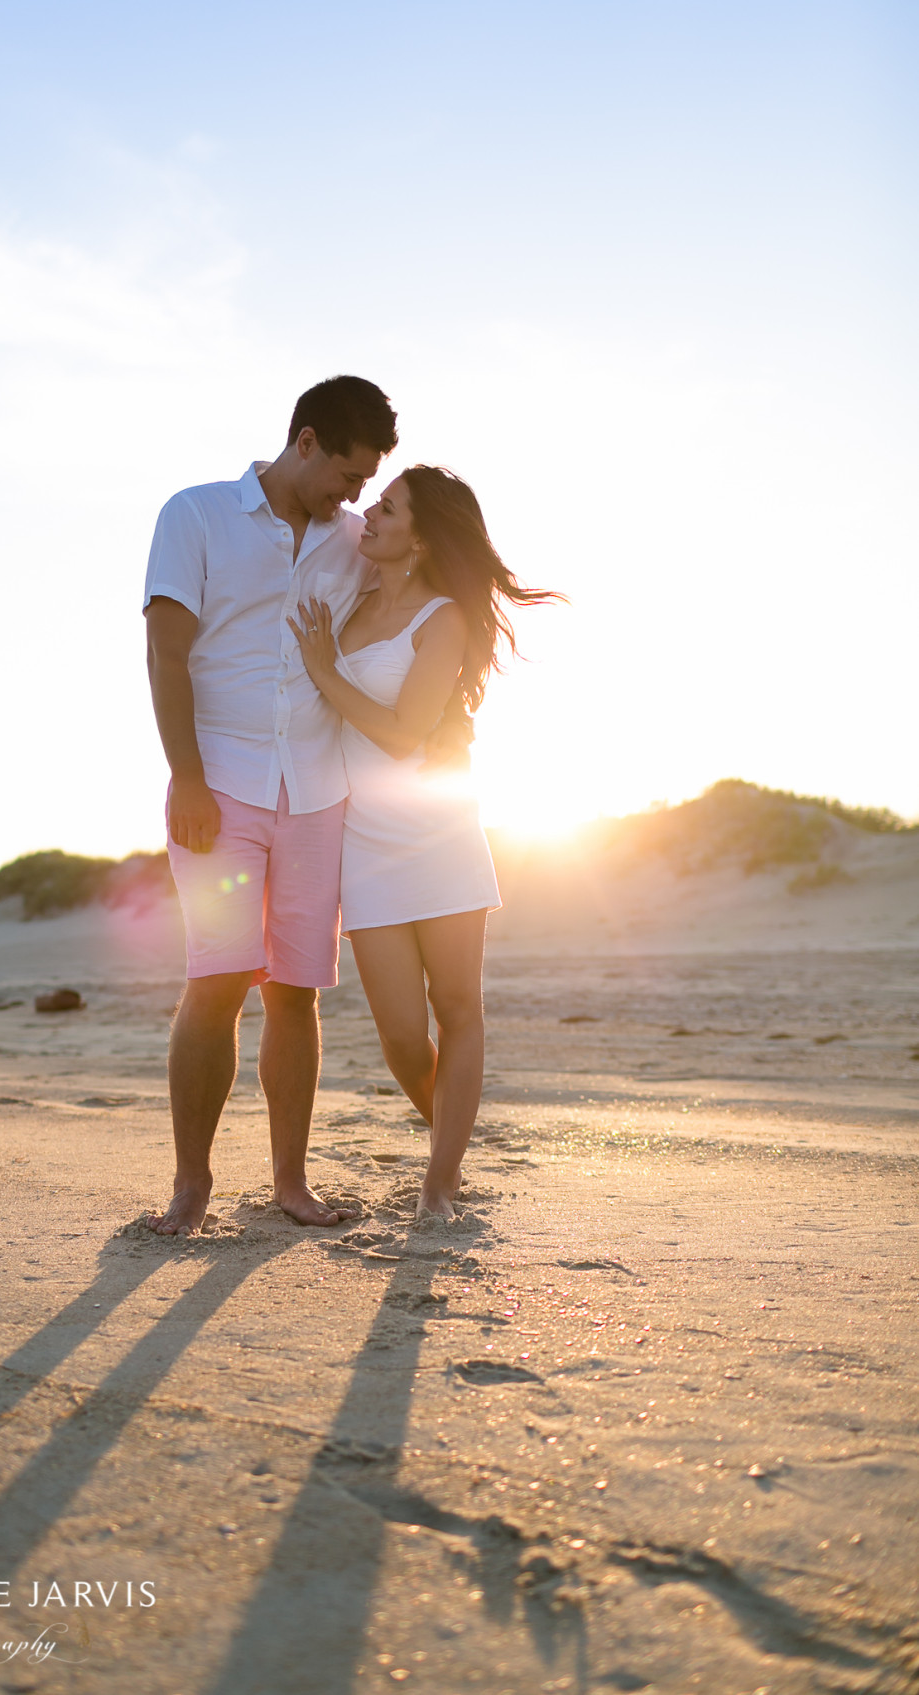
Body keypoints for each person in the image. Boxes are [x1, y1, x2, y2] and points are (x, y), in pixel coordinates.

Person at [143, 376, 399, 1236]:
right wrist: (185, 776)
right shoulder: (196, 514)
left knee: (297, 992)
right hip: (218, 785)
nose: (352, 496)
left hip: (318, 794)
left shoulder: (355, 541)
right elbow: (167, 655)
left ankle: (291, 1181)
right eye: (348, 475)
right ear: (307, 441)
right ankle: (192, 1183)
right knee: (216, 979)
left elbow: (419, 578)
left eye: (366, 484)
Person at [290, 466, 561, 1219]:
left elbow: (405, 733)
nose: (370, 514)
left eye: (389, 507)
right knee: (404, 1037)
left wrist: (323, 670)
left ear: (422, 538)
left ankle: (439, 1182)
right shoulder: (350, 602)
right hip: (365, 845)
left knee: (458, 1008)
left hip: (438, 837)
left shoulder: (443, 619)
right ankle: (453, 1138)